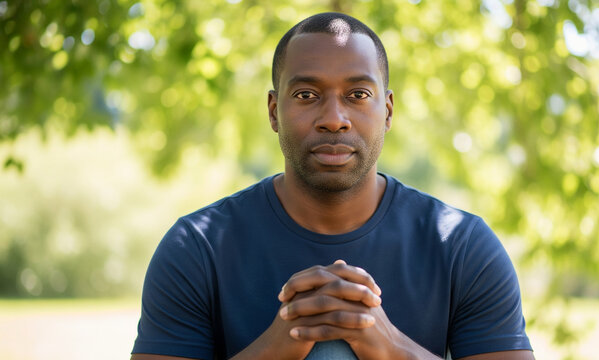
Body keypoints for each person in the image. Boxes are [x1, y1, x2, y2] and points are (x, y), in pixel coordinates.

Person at [131, 12, 534, 360]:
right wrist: (280, 344)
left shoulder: (462, 246)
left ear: (387, 110)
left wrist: (388, 346)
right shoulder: (197, 247)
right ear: (274, 112)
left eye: (358, 94)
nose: (334, 118)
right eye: (307, 94)